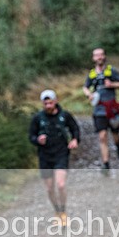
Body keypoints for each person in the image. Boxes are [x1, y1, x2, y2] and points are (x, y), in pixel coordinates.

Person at [29, 89, 80, 226]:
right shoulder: (38, 118)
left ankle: (63, 212)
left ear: (55, 101)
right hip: (45, 156)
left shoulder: (65, 116)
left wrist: (75, 140)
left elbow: (75, 128)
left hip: (61, 153)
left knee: (61, 185)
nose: (48, 106)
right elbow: (31, 136)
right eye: (45, 104)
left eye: (50, 103)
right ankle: (57, 211)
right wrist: (38, 140)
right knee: (49, 188)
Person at [82, 48, 119, 171]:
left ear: (104, 56)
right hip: (99, 110)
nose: (99, 57)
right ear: (93, 58)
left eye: (101, 55)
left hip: (112, 108)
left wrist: (112, 85)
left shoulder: (111, 71)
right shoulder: (91, 74)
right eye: (96, 55)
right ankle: (106, 163)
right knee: (102, 136)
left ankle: (118, 145)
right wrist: (89, 94)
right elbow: (85, 87)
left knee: (115, 133)